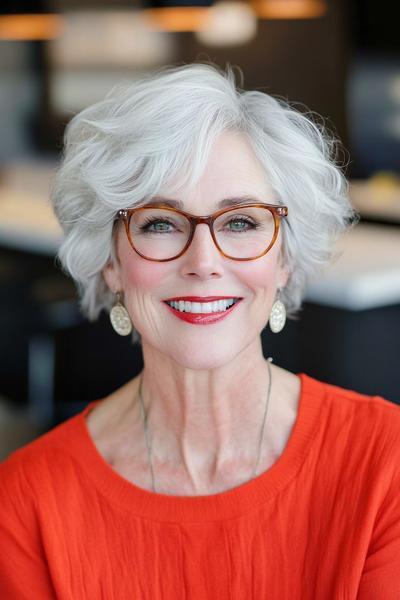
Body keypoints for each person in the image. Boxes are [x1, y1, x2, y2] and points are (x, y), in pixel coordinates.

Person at [0, 63, 399, 599]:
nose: (204, 261)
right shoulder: (24, 504)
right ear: (111, 262)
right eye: (160, 223)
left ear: (284, 260)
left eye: (241, 222)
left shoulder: (385, 464)